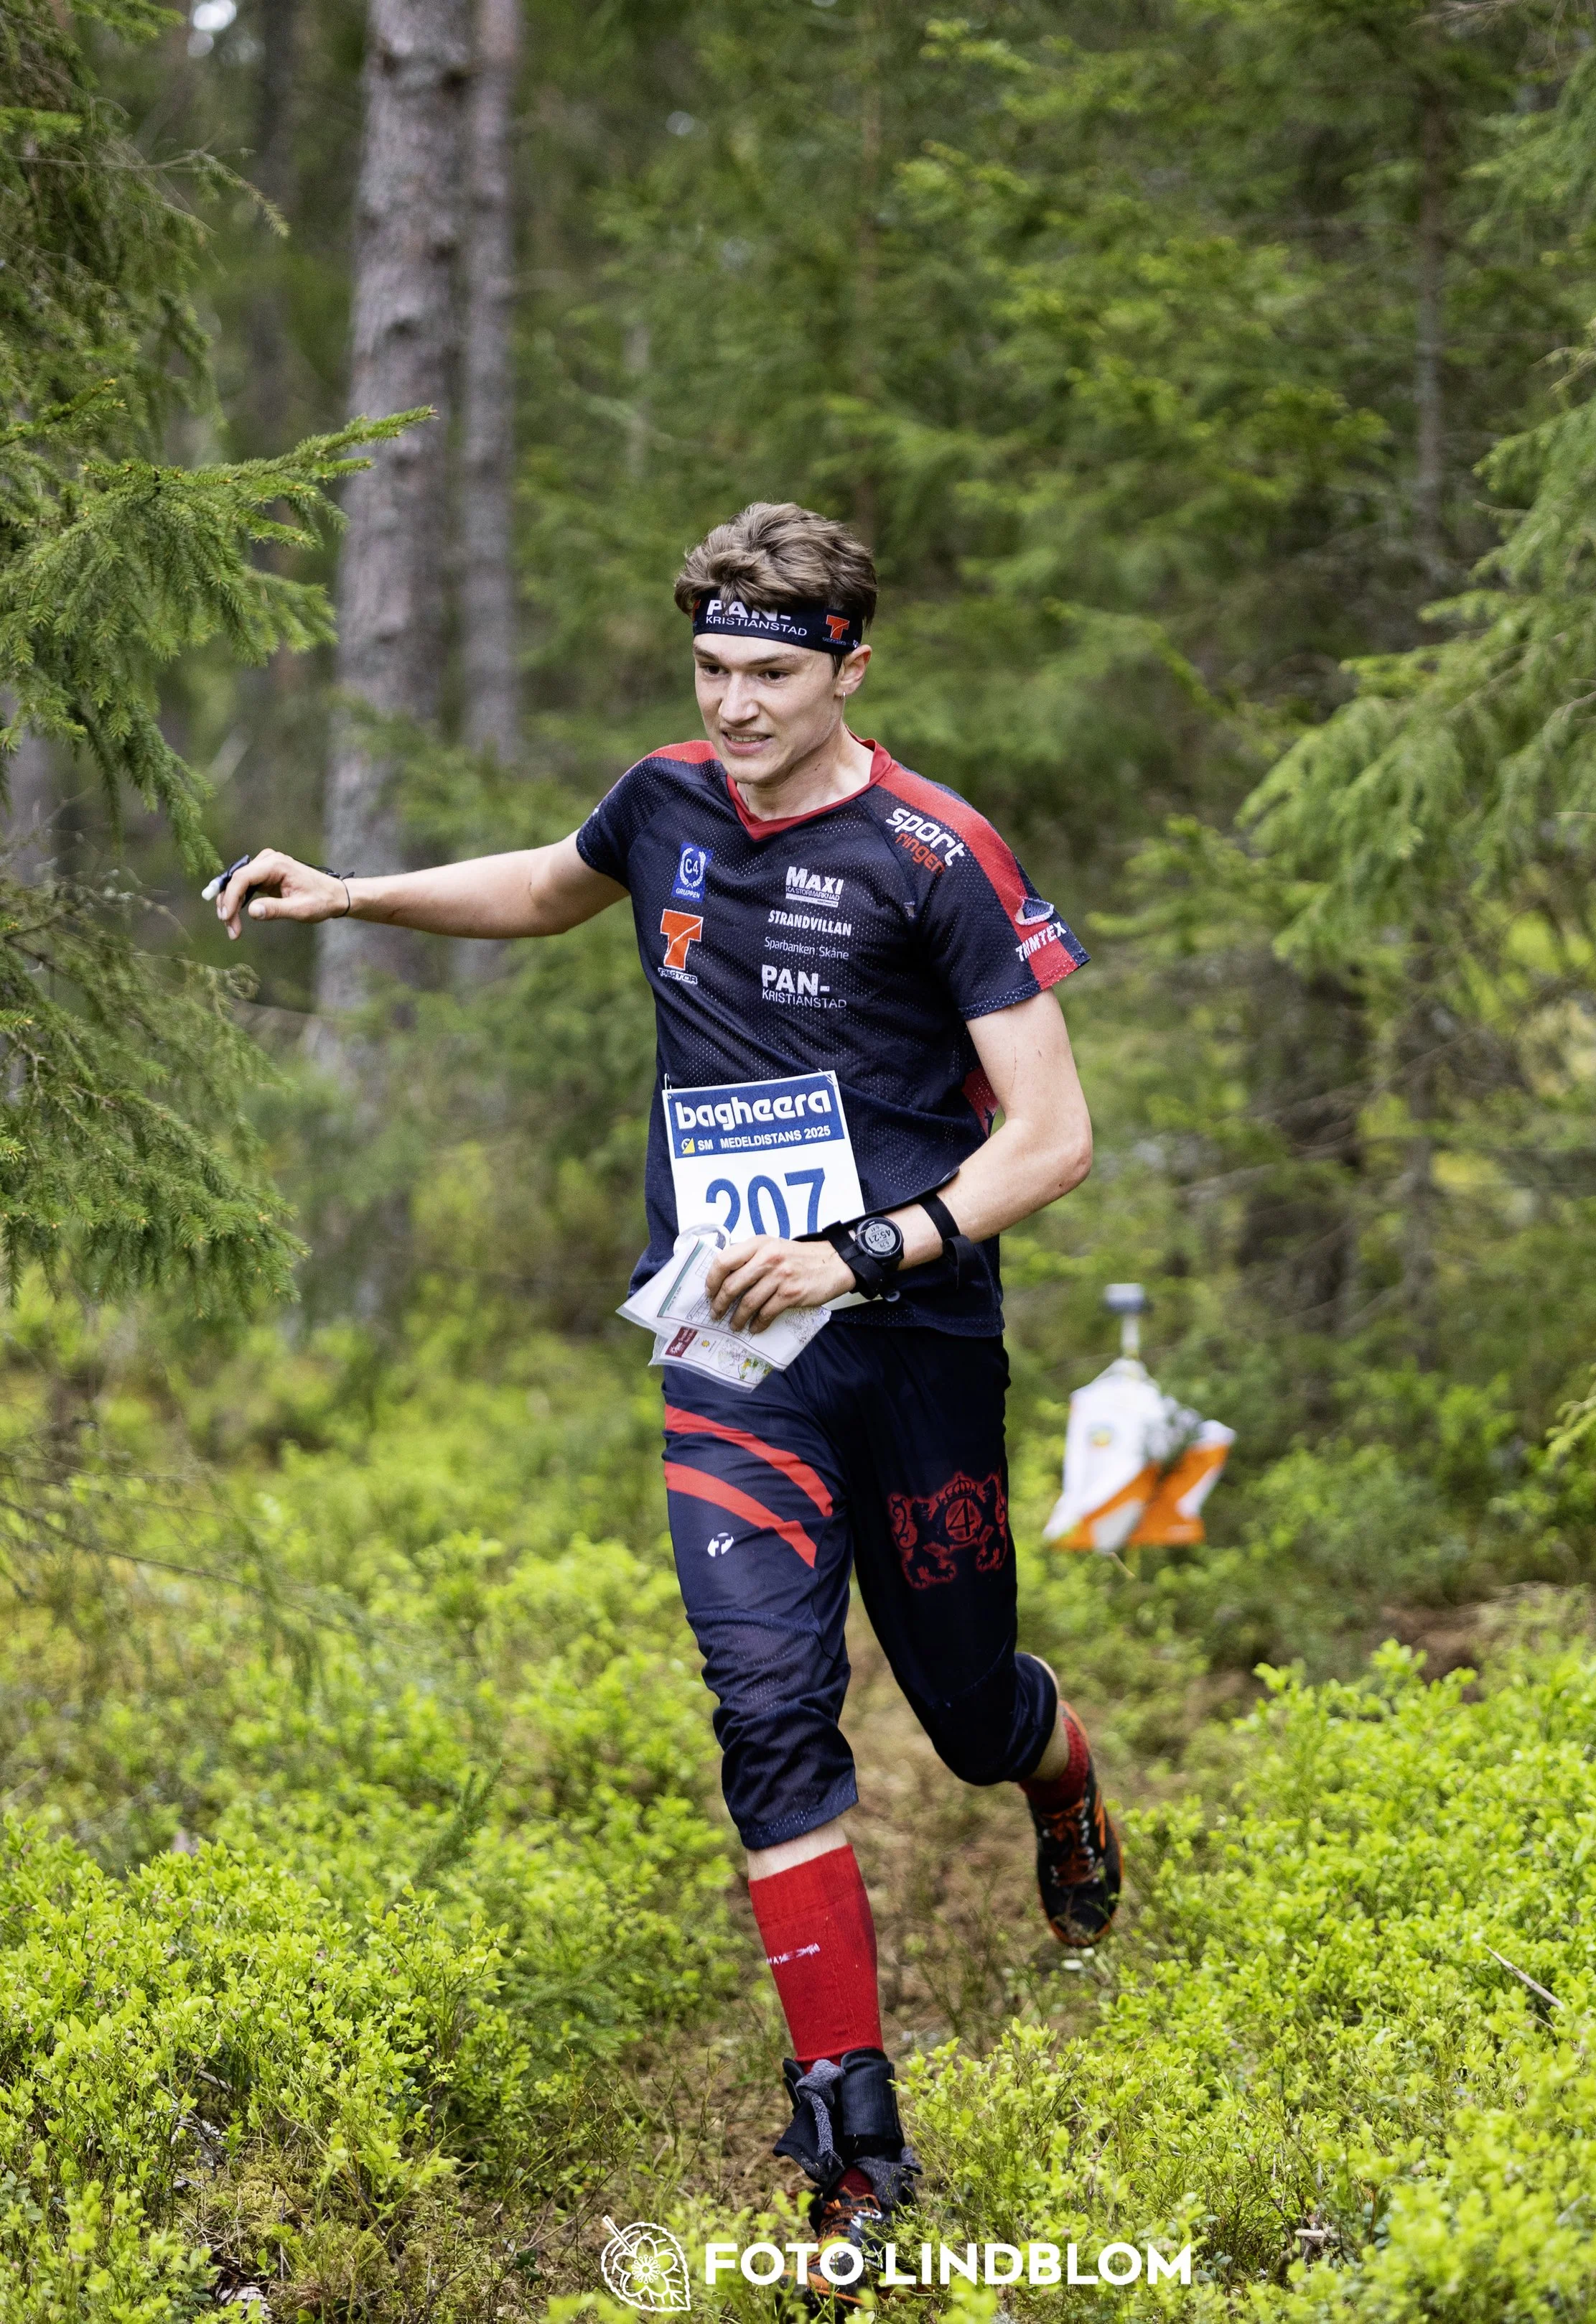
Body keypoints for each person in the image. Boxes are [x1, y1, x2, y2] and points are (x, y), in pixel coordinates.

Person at [216, 500, 1121, 2297]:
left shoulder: (935, 852)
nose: (733, 706)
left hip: (911, 1340)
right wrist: (352, 892)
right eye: (710, 668)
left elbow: (1054, 1137)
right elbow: (551, 885)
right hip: (726, 1351)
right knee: (767, 1709)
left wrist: (861, 1253)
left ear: (850, 669)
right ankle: (853, 2140)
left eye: (769, 674)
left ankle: (1063, 1774)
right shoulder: (665, 803)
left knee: (960, 1710)